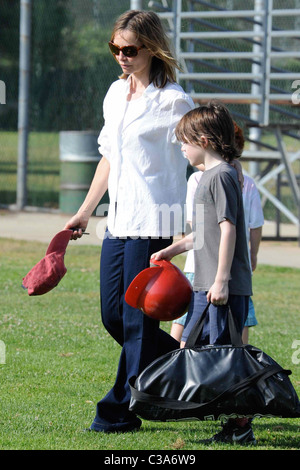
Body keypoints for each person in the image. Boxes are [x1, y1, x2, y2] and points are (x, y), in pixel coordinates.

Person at [64, 10, 194, 433]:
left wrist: (197, 220)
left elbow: (199, 154)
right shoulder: (114, 93)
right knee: (113, 317)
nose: (121, 56)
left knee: (137, 320)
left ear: (151, 48)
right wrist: (85, 211)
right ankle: (185, 366)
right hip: (117, 221)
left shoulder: (173, 100)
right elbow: (109, 157)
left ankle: (116, 411)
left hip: (155, 220)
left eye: (130, 49)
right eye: (115, 48)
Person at [151, 101, 256, 445]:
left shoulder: (223, 175)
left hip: (222, 286)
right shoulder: (204, 179)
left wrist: (222, 279)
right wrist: (171, 250)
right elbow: (202, 233)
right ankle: (219, 414)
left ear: (205, 139)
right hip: (203, 285)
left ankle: (241, 427)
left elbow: (229, 229)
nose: (181, 147)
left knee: (226, 355)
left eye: (185, 140)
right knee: (202, 350)